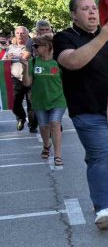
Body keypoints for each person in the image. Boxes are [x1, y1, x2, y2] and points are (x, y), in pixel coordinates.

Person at [53, 0, 108, 229]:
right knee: (100, 154)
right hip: (88, 110)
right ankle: (103, 207)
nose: (92, 12)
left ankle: (102, 195)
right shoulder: (65, 37)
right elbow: (73, 62)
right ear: (74, 15)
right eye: (85, 9)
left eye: (94, 8)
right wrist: (102, 37)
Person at [21, 35, 66, 168]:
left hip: (58, 100)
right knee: (43, 126)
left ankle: (58, 155)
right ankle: (46, 145)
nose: (34, 48)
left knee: (55, 124)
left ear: (47, 47)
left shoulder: (58, 62)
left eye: (36, 46)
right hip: (39, 100)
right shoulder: (33, 62)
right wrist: (25, 67)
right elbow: (27, 83)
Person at [7, 26, 36, 132]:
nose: (20, 35)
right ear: (15, 34)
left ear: (27, 34)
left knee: (32, 103)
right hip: (16, 78)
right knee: (15, 102)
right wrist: (8, 59)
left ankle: (32, 125)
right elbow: (4, 62)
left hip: (30, 77)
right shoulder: (10, 47)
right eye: (18, 33)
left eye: (22, 33)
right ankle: (21, 118)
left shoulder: (33, 46)